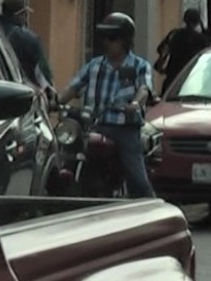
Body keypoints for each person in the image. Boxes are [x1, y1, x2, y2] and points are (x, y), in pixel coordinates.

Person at [58, 12, 156, 199]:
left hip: (124, 129)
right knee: (65, 154)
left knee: (137, 179)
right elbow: (73, 86)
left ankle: (152, 211)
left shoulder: (139, 65)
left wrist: (135, 104)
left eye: (112, 38)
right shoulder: (95, 65)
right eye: (104, 38)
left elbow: (144, 88)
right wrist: (57, 102)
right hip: (94, 126)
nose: (107, 43)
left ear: (125, 41)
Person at [0, 0, 55, 100]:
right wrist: (49, 91)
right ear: (18, 15)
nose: (26, 17)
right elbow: (42, 73)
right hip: (21, 96)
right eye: (25, 14)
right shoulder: (29, 40)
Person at [155, 8, 210, 96]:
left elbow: (161, 50)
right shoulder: (201, 39)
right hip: (192, 79)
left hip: (172, 79)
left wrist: (162, 67)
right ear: (197, 22)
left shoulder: (174, 34)